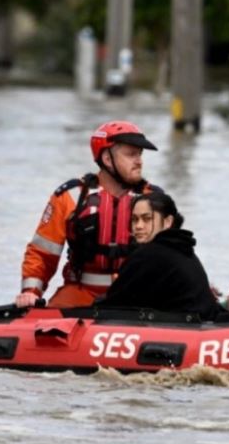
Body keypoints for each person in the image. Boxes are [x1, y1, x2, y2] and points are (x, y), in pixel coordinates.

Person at [16, 121, 160, 308]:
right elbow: (42, 253)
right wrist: (30, 293)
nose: (139, 161)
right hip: (81, 292)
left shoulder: (154, 199)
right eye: (131, 154)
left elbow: (176, 253)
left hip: (136, 293)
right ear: (107, 159)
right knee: (45, 326)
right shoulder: (71, 196)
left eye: (140, 154)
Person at [96, 191, 219, 320]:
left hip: (184, 329)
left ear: (167, 222)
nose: (138, 226)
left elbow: (113, 305)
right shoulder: (184, 250)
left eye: (147, 219)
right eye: (134, 220)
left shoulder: (148, 255)